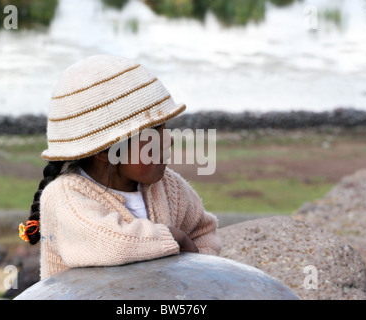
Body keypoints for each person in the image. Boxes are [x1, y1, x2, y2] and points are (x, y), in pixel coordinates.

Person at [18, 55, 222, 279]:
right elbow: (107, 242)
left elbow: (202, 230)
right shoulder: (64, 197)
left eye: (164, 127)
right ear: (106, 151)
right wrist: (174, 238)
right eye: (153, 132)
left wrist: (199, 272)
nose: (168, 139)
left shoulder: (168, 187)